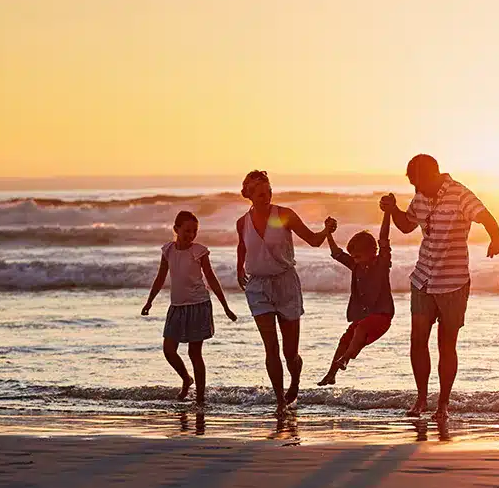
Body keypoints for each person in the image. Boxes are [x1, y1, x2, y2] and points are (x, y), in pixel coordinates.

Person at [380, 154, 499, 421]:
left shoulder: (460, 194)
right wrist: (392, 209)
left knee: (446, 345)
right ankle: (421, 399)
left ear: (430, 175)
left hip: (453, 282)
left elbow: (485, 216)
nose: (415, 189)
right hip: (423, 278)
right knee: (417, 340)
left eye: (417, 182)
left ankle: (443, 405)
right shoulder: (421, 197)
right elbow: (405, 225)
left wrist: (497, 239)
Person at [236, 170, 337, 415]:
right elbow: (242, 245)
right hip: (258, 287)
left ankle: (295, 382)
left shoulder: (283, 215)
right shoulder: (242, 222)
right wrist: (240, 268)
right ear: (248, 194)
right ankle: (280, 401)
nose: (266, 197)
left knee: (290, 353)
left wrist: (327, 230)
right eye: (260, 194)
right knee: (270, 348)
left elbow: (313, 241)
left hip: (285, 285)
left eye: (269, 192)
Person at [142, 210, 237, 405]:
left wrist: (225, 307)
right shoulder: (168, 250)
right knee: (169, 349)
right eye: (187, 231)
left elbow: (211, 278)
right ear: (176, 229)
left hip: (198, 305)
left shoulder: (199, 251)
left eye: (194, 231)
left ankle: (200, 398)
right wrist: (149, 301)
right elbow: (161, 277)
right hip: (176, 307)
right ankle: (186, 378)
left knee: (195, 353)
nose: (191, 235)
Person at [317, 210, 394, 386]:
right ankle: (331, 374)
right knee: (345, 340)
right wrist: (328, 233)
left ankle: (345, 359)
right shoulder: (355, 265)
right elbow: (337, 253)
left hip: (382, 317)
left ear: (372, 252)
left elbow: (384, 238)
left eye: (358, 256)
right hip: (364, 319)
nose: (355, 260)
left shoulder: (381, 263)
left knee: (361, 328)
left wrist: (386, 213)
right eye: (353, 257)